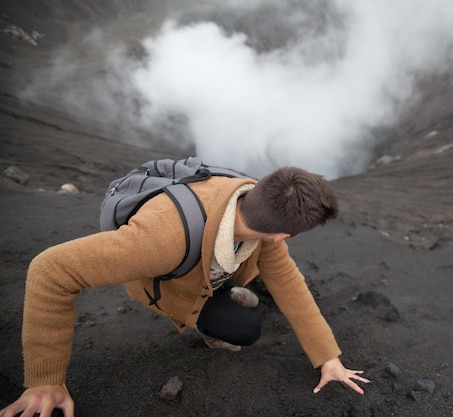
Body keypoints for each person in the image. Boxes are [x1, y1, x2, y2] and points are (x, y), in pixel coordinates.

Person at [0, 166, 370, 417]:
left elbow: (288, 281)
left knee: (259, 282)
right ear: (282, 235)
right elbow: (50, 269)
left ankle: (223, 286)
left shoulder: (254, 201)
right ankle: (202, 317)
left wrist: (328, 358)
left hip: (211, 264)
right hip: (172, 281)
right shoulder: (162, 240)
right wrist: (45, 380)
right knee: (244, 329)